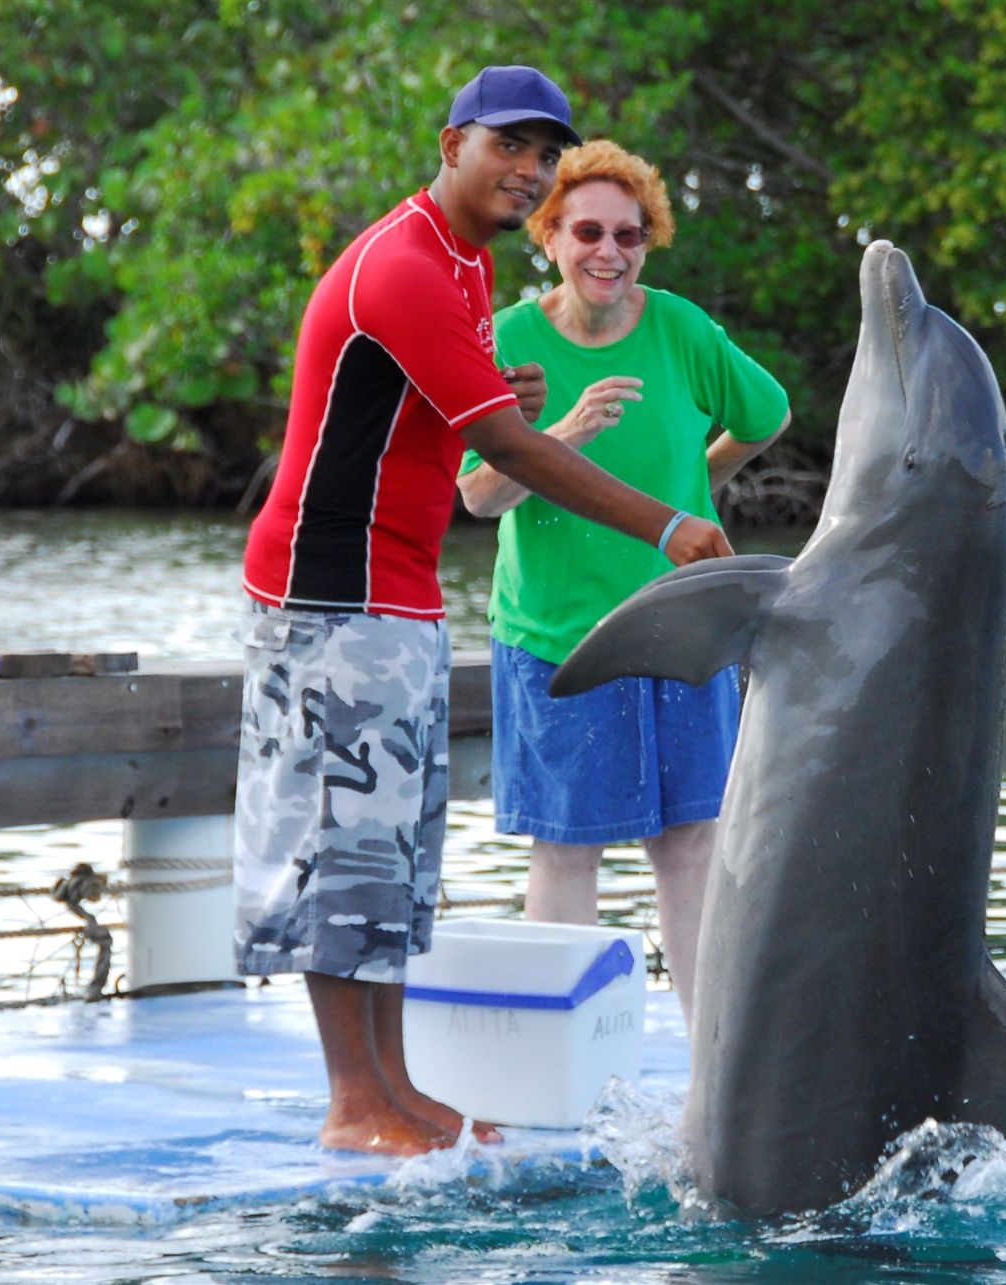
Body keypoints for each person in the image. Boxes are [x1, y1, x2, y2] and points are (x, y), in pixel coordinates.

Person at [236, 67, 734, 1157]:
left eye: (545, 153)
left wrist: (508, 403)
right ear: (452, 143)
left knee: (395, 855)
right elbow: (507, 454)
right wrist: (667, 526)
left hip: (401, 585)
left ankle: (399, 1086)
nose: (529, 169)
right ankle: (354, 1101)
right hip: (328, 588)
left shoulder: (468, 263)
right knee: (341, 847)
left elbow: (451, 421)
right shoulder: (408, 265)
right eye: (510, 145)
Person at [457, 141, 790, 1031]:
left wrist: (695, 485)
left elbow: (767, 415)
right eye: (588, 232)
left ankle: (714, 1063)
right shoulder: (508, 339)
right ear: (549, 236)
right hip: (557, 639)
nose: (609, 251)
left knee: (691, 845)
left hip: (683, 635)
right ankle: (559, 1058)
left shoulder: (682, 329)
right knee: (567, 850)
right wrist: (561, 434)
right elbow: (479, 495)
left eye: (629, 235)